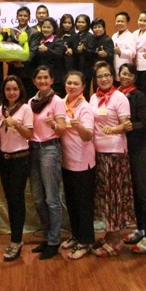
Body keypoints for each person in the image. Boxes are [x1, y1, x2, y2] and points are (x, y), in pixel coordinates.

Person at [90, 61, 133, 257]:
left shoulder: (119, 97)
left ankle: (115, 239)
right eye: (100, 76)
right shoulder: (94, 98)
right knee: (105, 196)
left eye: (107, 75)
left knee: (114, 197)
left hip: (115, 153)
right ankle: (109, 234)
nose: (104, 79)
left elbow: (127, 125)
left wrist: (113, 129)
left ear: (112, 76)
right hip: (98, 152)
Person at [28, 65, 67, 260]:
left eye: (46, 77)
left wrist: (54, 124)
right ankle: (47, 235)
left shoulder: (57, 101)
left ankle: (54, 241)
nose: (42, 81)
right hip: (33, 150)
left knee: (52, 198)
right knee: (38, 198)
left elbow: (62, 129)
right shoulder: (31, 102)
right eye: (39, 78)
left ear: (52, 80)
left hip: (50, 149)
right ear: (34, 81)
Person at [0, 75, 34, 261]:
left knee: (17, 199)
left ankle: (16, 240)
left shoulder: (26, 109)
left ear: (20, 91)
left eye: (15, 89)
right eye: (8, 89)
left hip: (20, 159)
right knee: (10, 199)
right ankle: (15, 237)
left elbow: (29, 134)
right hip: (5, 160)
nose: (11, 93)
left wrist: (16, 124)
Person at [118, 63, 146, 254]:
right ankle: (140, 229)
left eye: (129, 74)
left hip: (139, 149)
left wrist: (129, 126)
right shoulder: (117, 95)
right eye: (122, 73)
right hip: (124, 149)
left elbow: (143, 122)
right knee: (134, 191)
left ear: (134, 77)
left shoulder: (139, 95)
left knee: (143, 192)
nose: (125, 77)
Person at [60, 71, 96, 260]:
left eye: (76, 83)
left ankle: (86, 241)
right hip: (66, 160)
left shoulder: (85, 108)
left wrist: (78, 126)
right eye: (69, 83)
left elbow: (88, 135)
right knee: (72, 202)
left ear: (83, 87)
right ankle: (76, 235)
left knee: (83, 204)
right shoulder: (62, 103)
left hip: (83, 162)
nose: (72, 86)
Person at [34, 17, 67, 90]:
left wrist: (47, 50)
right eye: (44, 27)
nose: (46, 29)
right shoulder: (38, 41)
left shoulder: (58, 41)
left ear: (53, 29)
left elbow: (58, 56)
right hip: (40, 78)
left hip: (55, 79)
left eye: (49, 27)